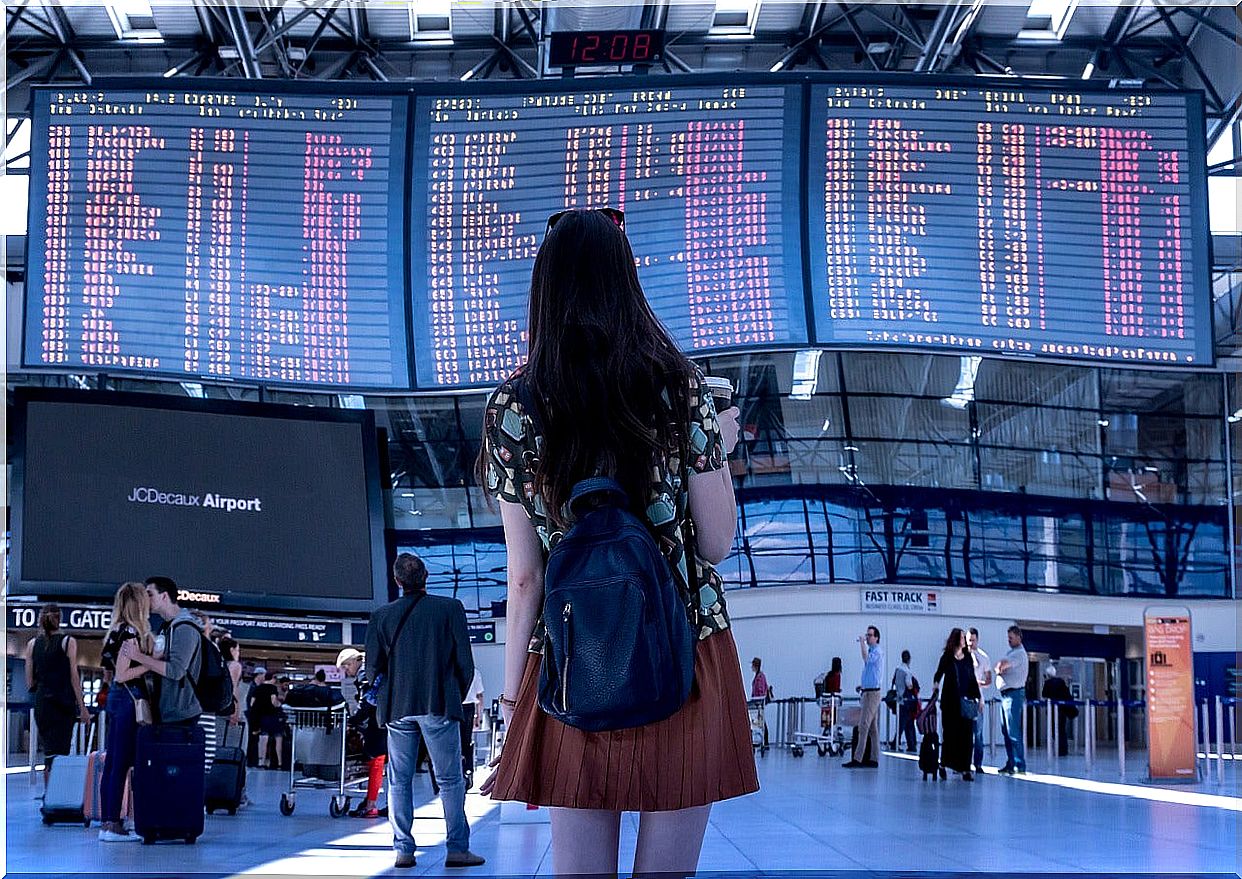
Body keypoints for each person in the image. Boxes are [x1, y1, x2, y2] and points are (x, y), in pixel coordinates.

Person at [478, 208, 757, 878]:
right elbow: (716, 542)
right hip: (684, 645)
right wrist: (716, 446)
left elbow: (525, 578)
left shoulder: (514, 407)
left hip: (574, 656)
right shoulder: (680, 385)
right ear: (628, 283)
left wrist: (515, 700)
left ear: (543, 292)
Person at [365, 552, 483, 870]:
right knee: (450, 780)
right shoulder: (450, 609)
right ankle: (457, 848)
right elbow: (466, 664)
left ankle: (404, 850)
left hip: (397, 708)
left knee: (399, 780)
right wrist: (452, 695)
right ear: (426, 576)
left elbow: (371, 669)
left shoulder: (381, 616)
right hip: (439, 704)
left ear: (397, 581)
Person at [97, 583, 153, 842]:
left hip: (115, 702)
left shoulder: (113, 633)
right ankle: (113, 824)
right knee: (120, 764)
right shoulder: (130, 633)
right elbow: (122, 674)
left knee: (112, 763)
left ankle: (107, 820)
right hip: (130, 701)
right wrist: (151, 663)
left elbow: (109, 672)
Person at [121, 577, 204, 727]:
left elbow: (176, 670)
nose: (146, 599)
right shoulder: (167, 627)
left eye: (150, 594)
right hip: (168, 711)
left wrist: (138, 657)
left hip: (180, 714)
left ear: (164, 596)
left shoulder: (184, 628)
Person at [25, 603, 92, 785]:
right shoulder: (67, 642)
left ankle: (49, 795)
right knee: (60, 752)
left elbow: (29, 682)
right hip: (63, 704)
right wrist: (83, 708)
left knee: (49, 752)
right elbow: (73, 677)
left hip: (42, 704)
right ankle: (57, 796)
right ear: (59, 619)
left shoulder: (32, 644)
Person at [337, 647, 388, 819]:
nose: (346, 671)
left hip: (378, 721)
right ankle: (374, 802)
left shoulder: (365, 672)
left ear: (353, 661)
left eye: (346, 666)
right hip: (386, 718)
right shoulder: (374, 667)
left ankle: (371, 805)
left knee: (376, 759)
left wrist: (355, 719)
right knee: (382, 761)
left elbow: (368, 699)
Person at [932, 628, 981, 781]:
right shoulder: (947, 657)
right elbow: (938, 673)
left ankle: (965, 768)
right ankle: (944, 764)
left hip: (965, 701)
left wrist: (978, 697)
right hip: (950, 702)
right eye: (962, 637)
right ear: (956, 639)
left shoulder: (967, 657)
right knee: (950, 735)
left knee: (966, 736)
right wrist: (935, 686)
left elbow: (972, 678)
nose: (964, 640)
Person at [844, 625, 884, 768]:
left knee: (863, 725)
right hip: (868, 691)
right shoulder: (874, 651)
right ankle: (874, 759)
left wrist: (862, 644)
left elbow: (866, 659)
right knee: (872, 728)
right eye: (866, 635)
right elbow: (871, 674)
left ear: (876, 637)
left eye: (870, 635)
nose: (867, 637)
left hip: (873, 694)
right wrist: (863, 686)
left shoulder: (877, 651)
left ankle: (858, 758)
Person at [994, 625, 1030, 775]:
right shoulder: (1012, 652)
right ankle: (1011, 763)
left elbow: (1002, 665)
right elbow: (999, 665)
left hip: (1013, 695)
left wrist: (1000, 668)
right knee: (1006, 731)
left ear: (1018, 637)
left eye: (1011, 638)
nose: (1008, 640)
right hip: (1006, 696)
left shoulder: (1019, 654)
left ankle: (1019, 764)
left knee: (1013, 731)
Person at [247, 669, 285, 770]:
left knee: (263, 738)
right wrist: (279, 704)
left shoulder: (258, 688)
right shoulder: (272, 688)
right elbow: (273, 701)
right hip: (273, 716)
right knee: (278, 738)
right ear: (272, 679)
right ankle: (279, 762)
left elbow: (252, 703)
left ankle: (261, 761)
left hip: (262, 716)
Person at [968, 628, 993, 773]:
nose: (971, 643)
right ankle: (962, 763)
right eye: (969, 640)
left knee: (978, 734)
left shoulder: (984, 658)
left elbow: (989, 679)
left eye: (973, 640)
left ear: (978, 640)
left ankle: (977, 764)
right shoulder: (961, 656)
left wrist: (978, 683)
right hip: (964, 699)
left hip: (978, 700)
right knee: (963, 733)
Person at [1042, 664, 1075, 757]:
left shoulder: (1047, 683)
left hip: (1052, 710)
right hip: (1062, 710)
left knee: (1054, 729)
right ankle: (1063, 750)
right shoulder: (1061, 682)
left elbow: (1044, 694)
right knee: (1062, 729)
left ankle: (1056, 748)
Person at [894, 650, 918, 753]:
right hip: (906, 700)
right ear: (909, 659)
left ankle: (911, 744)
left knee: (907, 723)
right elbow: (909, 685)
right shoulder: (907, 671)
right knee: (904, 723)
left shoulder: (898, 669)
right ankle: (896, 743)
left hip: (899, 698)